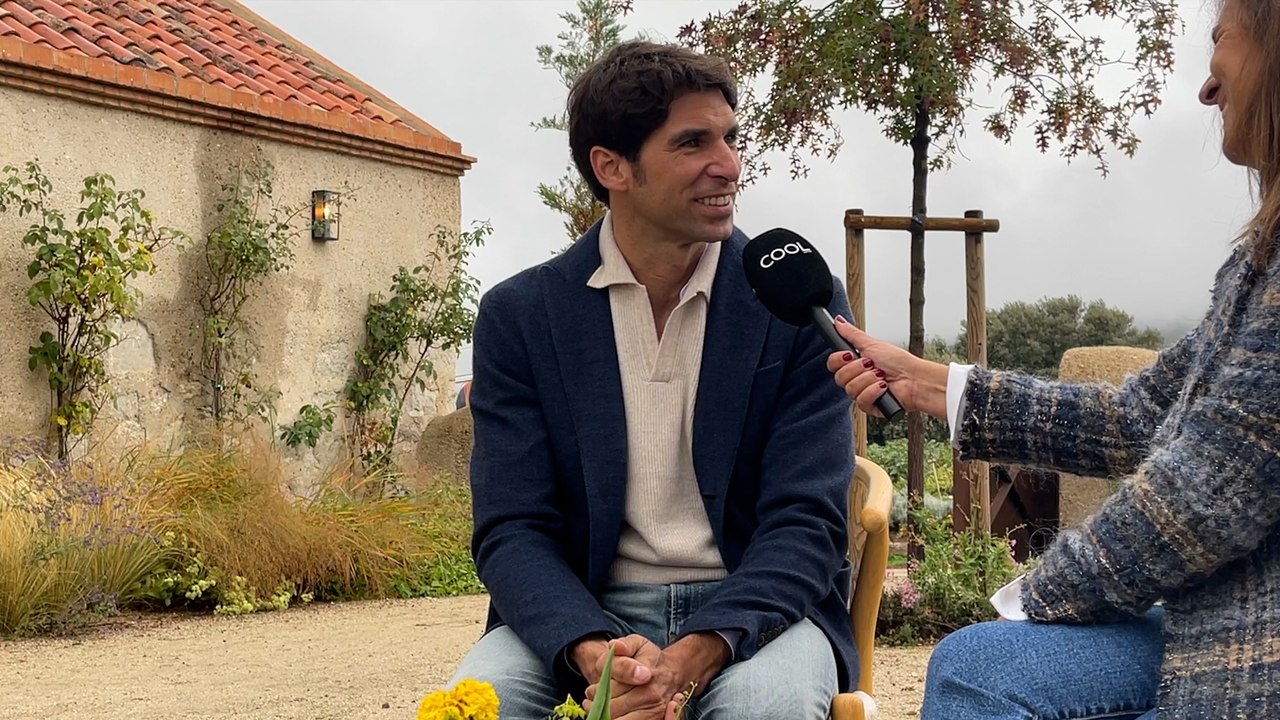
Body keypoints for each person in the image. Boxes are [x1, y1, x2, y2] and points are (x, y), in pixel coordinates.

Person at [827, 0, 1280, 716]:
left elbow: (1208, 495)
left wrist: (1033, 594)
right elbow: (1137, 417)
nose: (1207, 87)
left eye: (1220, 40)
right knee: (980, 663)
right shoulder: (1258, 263)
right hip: (1226, 615)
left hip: (1255, 642)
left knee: (981, 671)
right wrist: (934, 384)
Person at [448, 40, 859, 720]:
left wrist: (695, 653)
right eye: (693, 143)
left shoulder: (798, 307)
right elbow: (512, 527)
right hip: (582, 608)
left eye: (730, 138)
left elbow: (808, 523)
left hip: (760, 617)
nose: (728, 166)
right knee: (476, 709)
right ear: (612, 167)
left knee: (766, 712)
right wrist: (591, 649)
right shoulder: (521, 316)